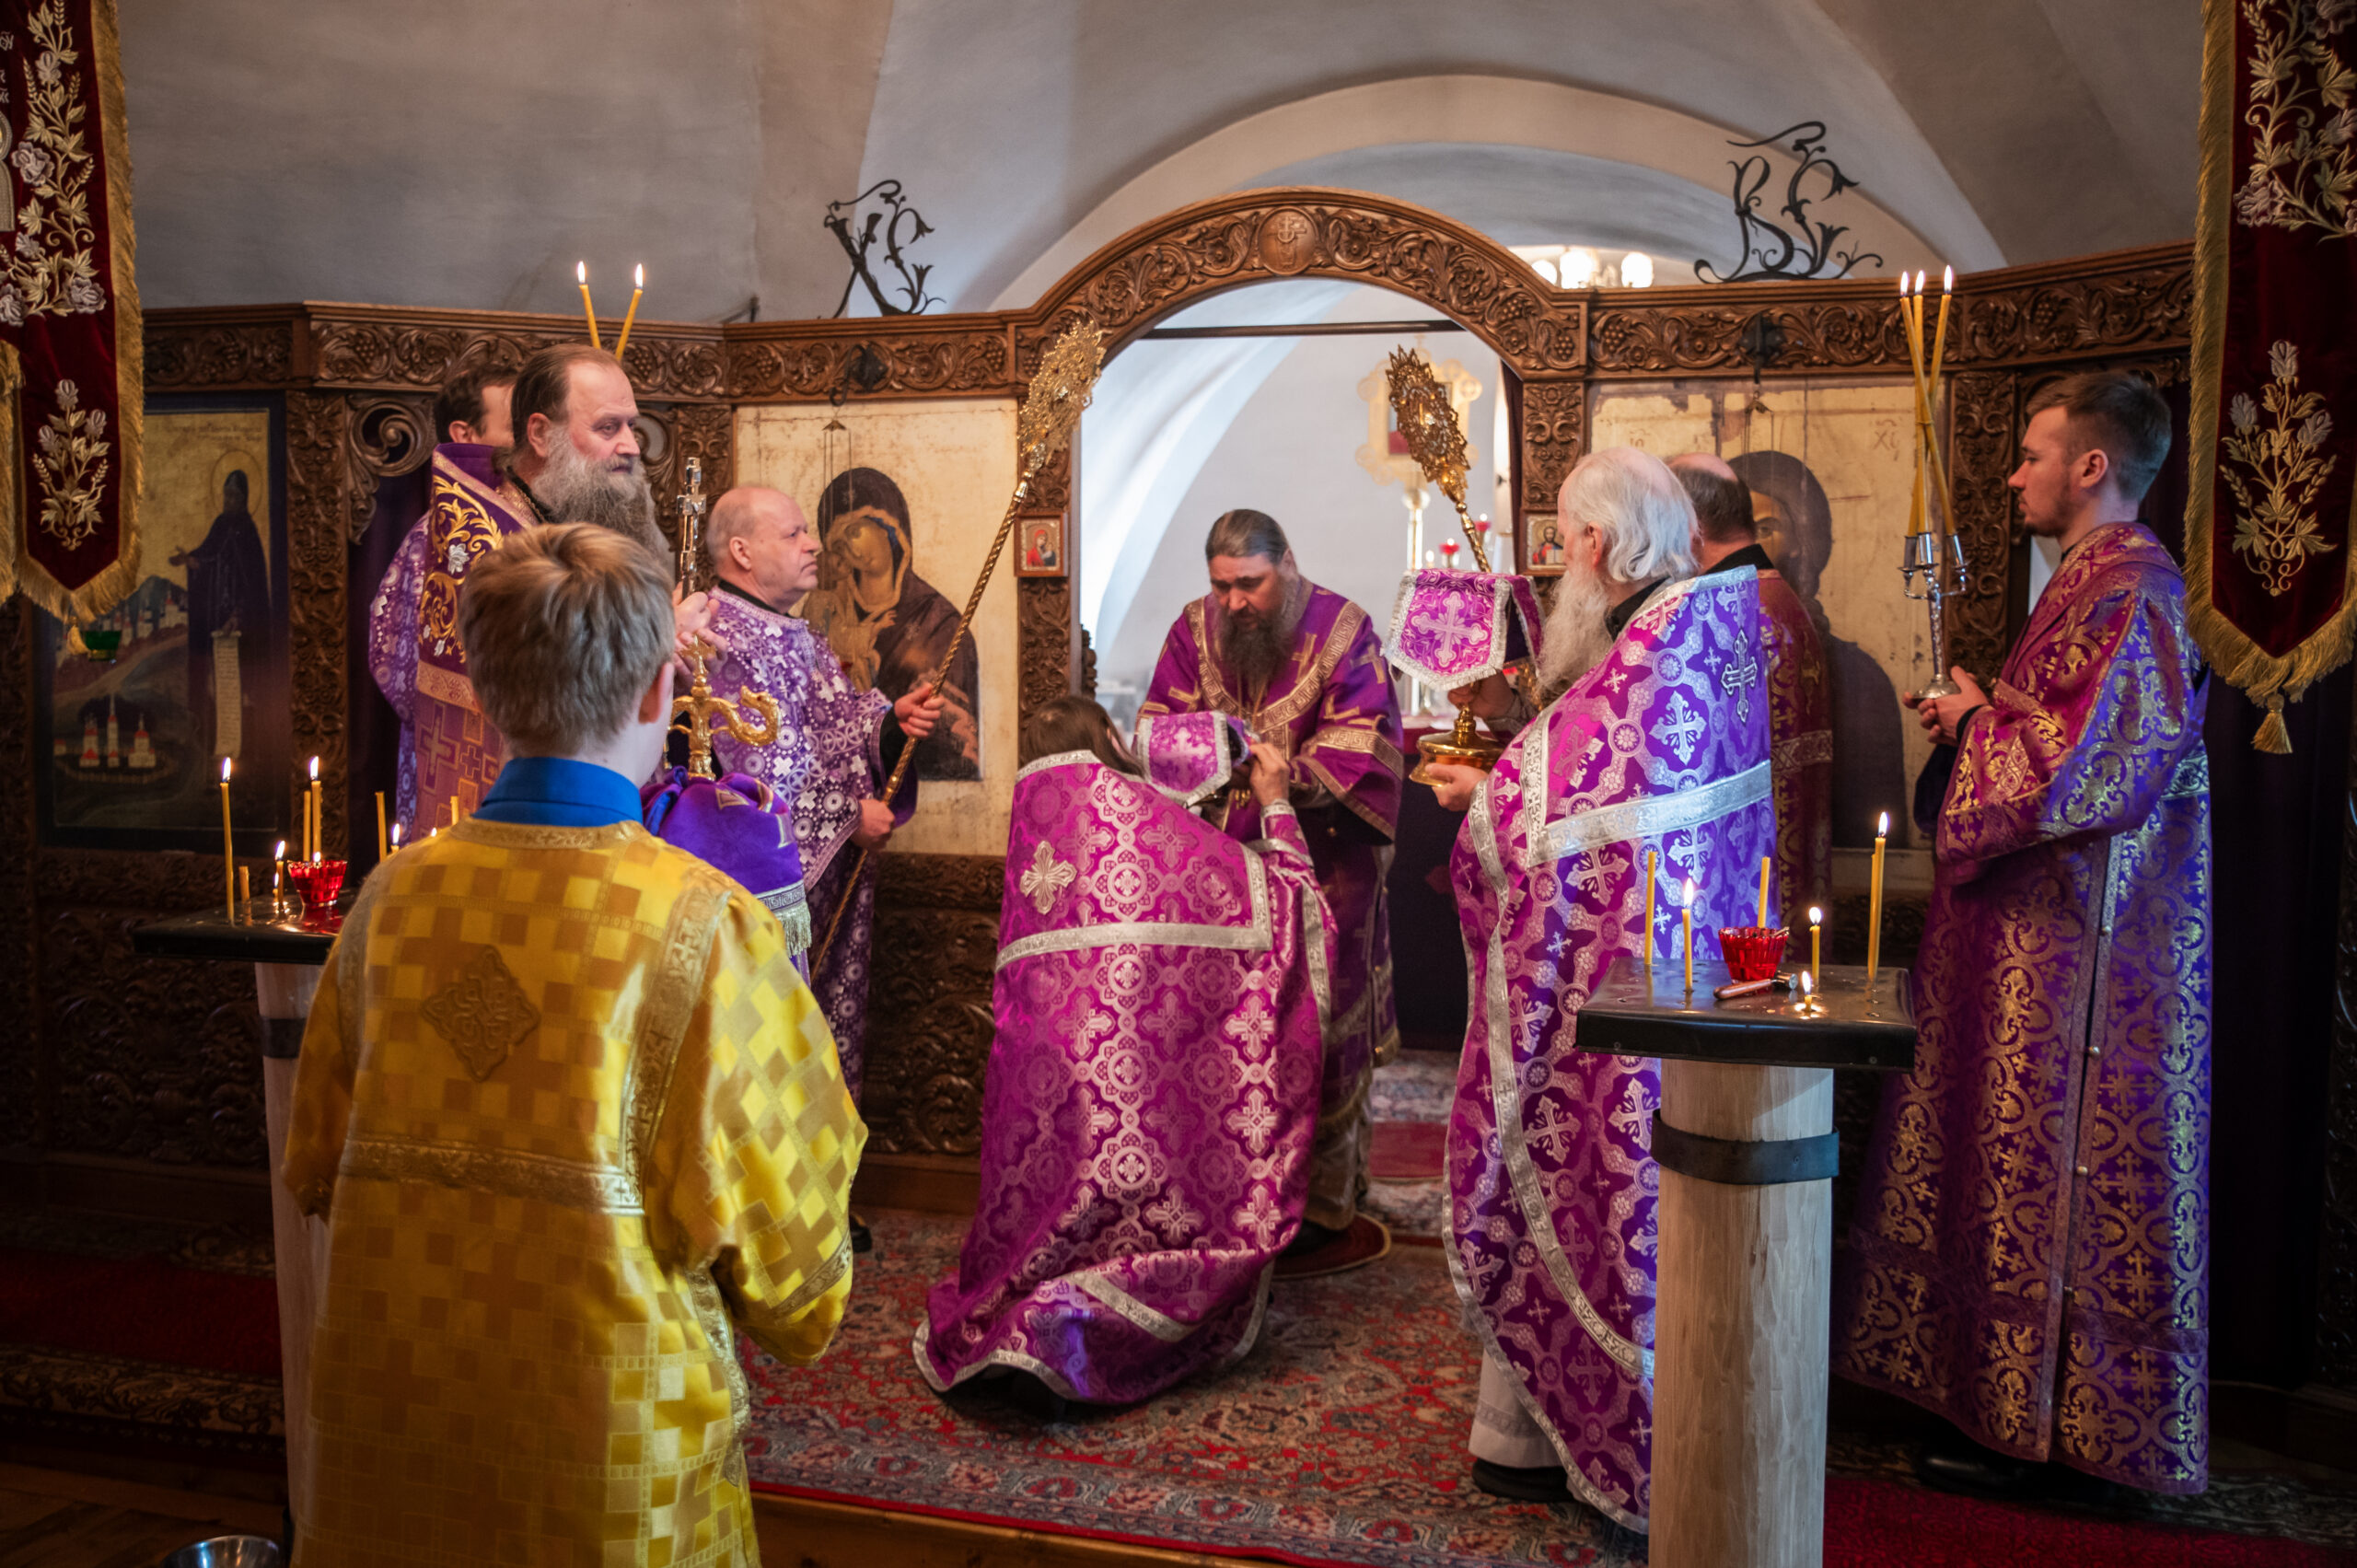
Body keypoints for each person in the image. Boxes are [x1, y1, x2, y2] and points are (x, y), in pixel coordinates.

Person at [283, 523, 864, 1565]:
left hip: (396, 1451)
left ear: (486, 690)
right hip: (611, 1480)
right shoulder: (705, 925)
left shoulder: (388, 905)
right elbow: (800, 1274)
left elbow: (317, 1166)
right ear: (656, 693)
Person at [1834, 371, 2212, 1497]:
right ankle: (2005, 1409)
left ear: (2091, 466)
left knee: (2061, 1172)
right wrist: (1985, 714)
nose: (2012, 476)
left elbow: (2090, 774)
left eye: (2032, 454)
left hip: (2085, 955)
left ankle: (2063, 1439)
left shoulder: (2131, 591)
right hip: (2037, 937)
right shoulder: (2090, 584)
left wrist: (1975, 720)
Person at [1426, 447, 1775, 1527]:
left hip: (1624, 984)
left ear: (1596, 542)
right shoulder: (1710, 625)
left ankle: (1602, 1439)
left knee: (1597, 1183)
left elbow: (1546, 814)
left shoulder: (1658, 651)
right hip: (1684, 963)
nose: (1558, 560)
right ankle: (1539, 1428)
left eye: (1565, 536)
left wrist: (1479, 797)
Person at [916, 696, 1335, 1408]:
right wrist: (1274, 803)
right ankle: (1073, 1324)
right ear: (1108, 743)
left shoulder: (1038, 841)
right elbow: (1290, 902)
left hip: (1035, 1104)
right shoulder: (1144, 834)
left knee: (1039, 1210)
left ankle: (1024, 1306)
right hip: (1131, 1125)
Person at [1136, 508, 1404, 1266]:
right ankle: (1233, 1182)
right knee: (1227, 1027)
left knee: (1323, 1018)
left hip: (1325, 865)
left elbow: (1365, 744)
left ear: (1286, 564)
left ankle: (1325, 1198)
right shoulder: (1194, 631)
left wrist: (1287, 782)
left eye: (1249, 584)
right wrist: (1224, 769)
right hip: (1221, 869)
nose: (1234, 603)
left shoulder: (1344, 631)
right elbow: (1158, 728)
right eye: (1221, 586)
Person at [697, 484, 943, 1104]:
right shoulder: (718, 637)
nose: (813, 546)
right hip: (767, 896)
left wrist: (890, 723)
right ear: (742, 551)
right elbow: (757, 772)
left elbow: (837, 721)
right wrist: (849, 815)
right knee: (771, 1053)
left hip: (828, 884)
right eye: (794, 534)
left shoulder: (796, 632)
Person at [403, 344, 712, 834]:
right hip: (525, 821)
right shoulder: (488, 544)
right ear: (541, 434)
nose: (631, 446)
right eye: (608, 427)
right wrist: (657, 636)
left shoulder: (570, 520)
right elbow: (547, 689)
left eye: (632, 426)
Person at [1672, 452, 1832, 933]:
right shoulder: (1778, 596)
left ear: (1689, 523)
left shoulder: (1727, 615)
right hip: (1789, 867)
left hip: (1745, 882)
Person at [366, 363, 514, 834]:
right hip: (452, 743)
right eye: (514, 426)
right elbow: (389, 651)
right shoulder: (436, 536)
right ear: (464, 434)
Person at [804, 467, 981, 779]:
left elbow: (956, 753)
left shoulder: (940, 622)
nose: (852, 550)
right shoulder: (826, 611)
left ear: (890, 528)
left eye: (856, 532)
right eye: (840, 544)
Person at [175, 468, 273, 762]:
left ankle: (246, 754)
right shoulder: (220, 524)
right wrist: (191, 561)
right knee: (213, 687)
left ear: (244, 498)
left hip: (239, 627)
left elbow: (252, 584)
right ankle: (213, 748)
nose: (228, 500)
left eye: (234, 496)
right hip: (214, 623)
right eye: (226, 495)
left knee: (239, 691)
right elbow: (209, 556)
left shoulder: (248, 532)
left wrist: (238, 615)